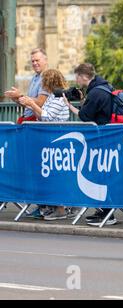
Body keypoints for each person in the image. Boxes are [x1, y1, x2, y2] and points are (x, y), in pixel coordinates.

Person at [65, 63, 117, 226]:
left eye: (77, 77)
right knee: (105, 173)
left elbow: (85, 116)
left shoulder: (95, 92)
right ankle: (104, 210)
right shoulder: (105, 86)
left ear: (82, 76)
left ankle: (108, 212)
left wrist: (69, 106)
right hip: (112, 137)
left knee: (101, 174)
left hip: (101, 139)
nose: (76, 80)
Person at [18, 69, 71, 220]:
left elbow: (47, 117)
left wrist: (32, 105)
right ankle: (48, 206)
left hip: (56, 142)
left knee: (55, 175)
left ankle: (60, 208)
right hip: (48, 142)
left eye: (44, 81)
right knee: (46, 174)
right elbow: (41, 113)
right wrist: (25, 102)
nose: (41, 84)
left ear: (49, 82)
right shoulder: (52, 97)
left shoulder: (59, 98)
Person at [4, 48, 50, 123]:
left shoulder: (48, 77)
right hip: (27, 118)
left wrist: (20, 95)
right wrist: (17, 99)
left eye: (37, 60)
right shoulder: (34, 77)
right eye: (33, 61)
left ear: (45, 60)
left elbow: (40, 103)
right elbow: (28, 105)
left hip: (36, 120)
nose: (35, 63)